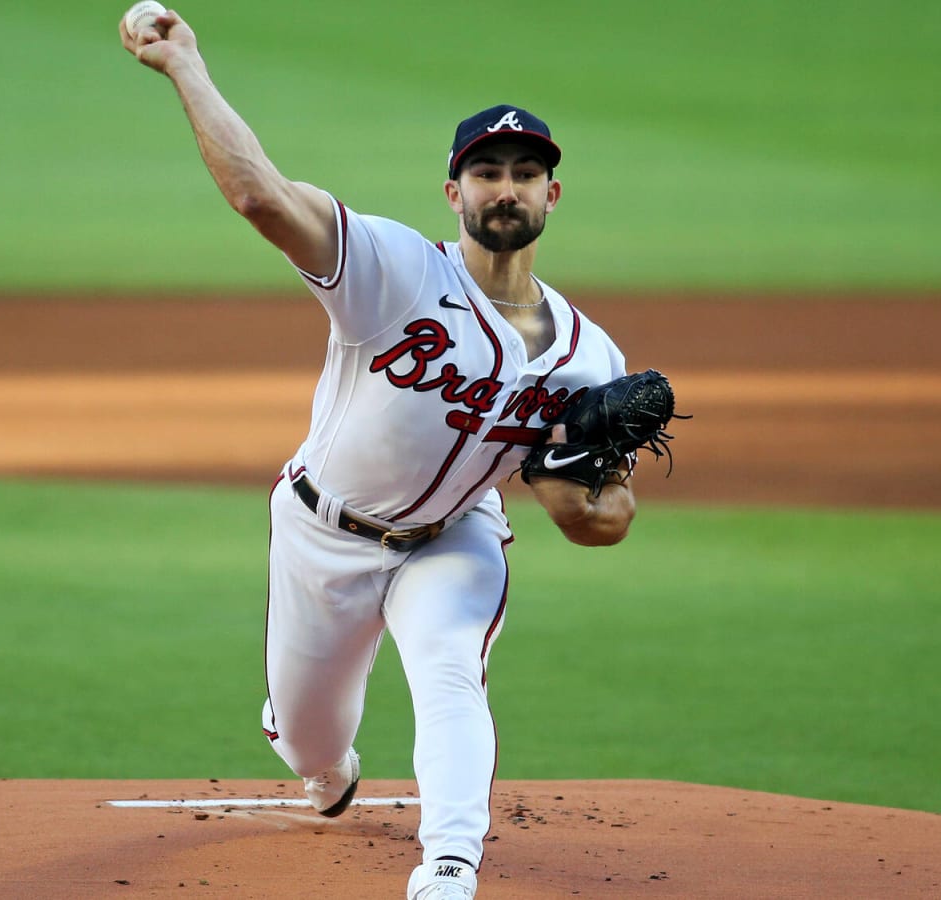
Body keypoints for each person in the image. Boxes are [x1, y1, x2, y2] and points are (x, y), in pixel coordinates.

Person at [121, 10, 640, 900]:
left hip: (453, 538)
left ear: (554, 194)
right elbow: (263, 199)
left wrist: (567, 496)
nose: (505, 188)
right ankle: (325, 770)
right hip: (321, 532)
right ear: (454, 192)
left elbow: (609, 519)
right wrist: (185, 66)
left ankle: (448, 867)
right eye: (486, 172)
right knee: (308, 739)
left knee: (450, 671)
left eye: (526, 173)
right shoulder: (396, 271)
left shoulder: (592, 358)